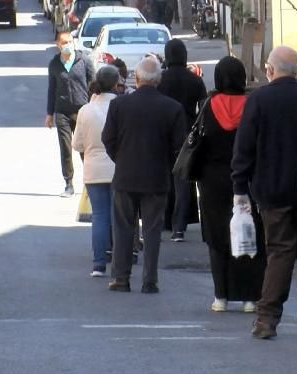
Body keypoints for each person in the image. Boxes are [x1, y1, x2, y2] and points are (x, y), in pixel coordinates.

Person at [231, 46, 297, 340]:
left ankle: (267, 319)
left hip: (271, 189)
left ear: (270, 69)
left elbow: (244, 146)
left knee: (279, 251)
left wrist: (240, 187)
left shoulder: (259, 100)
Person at [102, 57, 186, 293]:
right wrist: (165, 165)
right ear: (158, 80)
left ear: (136, 79)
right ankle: (150, 280)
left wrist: (121, 158)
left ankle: (121, 278)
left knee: (123, 229)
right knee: (152, 231)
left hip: (126, 175)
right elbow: (178, 147)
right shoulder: (172, 108)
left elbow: (108, 139)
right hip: (157, 177)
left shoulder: (119, 105)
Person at [195, 56, 266, 313]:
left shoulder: (206, 105)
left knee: (217, 237)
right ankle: (249, 297)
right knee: (249, 233)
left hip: (212, 179)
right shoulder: (252, 105)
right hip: (247, 178)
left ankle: (220, 297)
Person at [158, 39, 207, 242]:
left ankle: (163, 221)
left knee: (163, 181)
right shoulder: (195, 80)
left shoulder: (160, 79)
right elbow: (203, 109)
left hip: (162, 134)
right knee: (183, 183)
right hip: (187, 135)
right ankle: (179, 228)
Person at [72, 66, 119, 277]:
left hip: (93, 168)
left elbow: (77, 144)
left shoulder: (85, 110)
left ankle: (98, 263)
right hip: (119, 167)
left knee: (99, 215)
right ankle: (120, 259)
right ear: (116, 83)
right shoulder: (120, 106)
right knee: (119, 215)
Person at [46, 31, 95, 197]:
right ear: (58, 45)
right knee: (66, 148)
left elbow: (93, 86)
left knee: (85, 149)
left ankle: (90, 183)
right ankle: (68, 183)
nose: (67, 44)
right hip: (62, 112)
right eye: (64, 42)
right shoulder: (54, 64)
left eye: (70, 41)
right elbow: (51, 89)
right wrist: (49, 113)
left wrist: (94, 107)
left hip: (82, 111)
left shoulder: (85, 61)